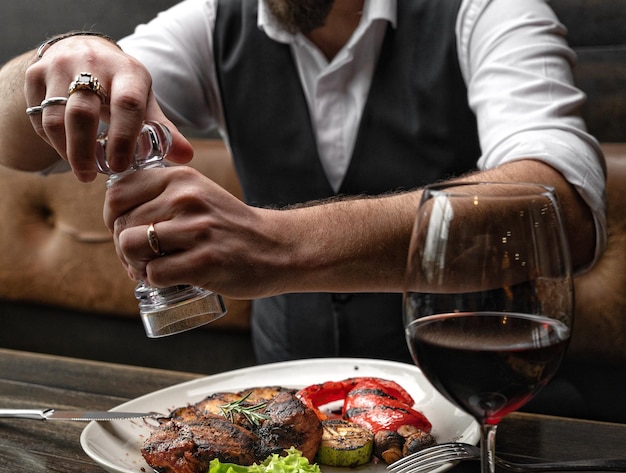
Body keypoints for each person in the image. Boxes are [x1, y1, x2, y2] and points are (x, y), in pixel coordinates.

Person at [0, 0, 606, 365]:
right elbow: (15, 145)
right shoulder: (214, 22)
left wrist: (279, 246)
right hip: (290, 429)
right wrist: (58, 61)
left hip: (474, 418)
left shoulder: (487, 12)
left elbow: (561, 209)